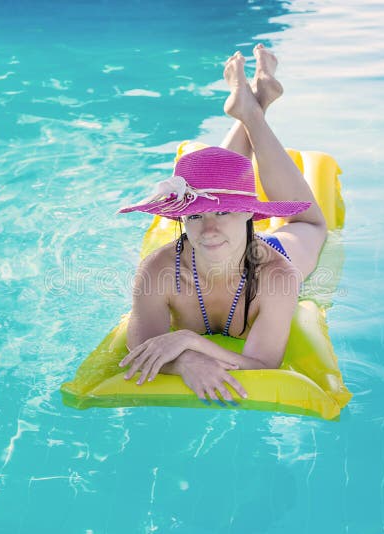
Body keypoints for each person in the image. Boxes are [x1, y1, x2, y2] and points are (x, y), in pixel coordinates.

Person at [117, 45, 328, 404]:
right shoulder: (158, 269)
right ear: (181, 218)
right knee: (219, 182)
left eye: (225, 211)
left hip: (265, 256)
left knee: (310, 222)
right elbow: (142, 347)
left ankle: (253, 111)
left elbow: (263, 364)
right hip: (222, 254)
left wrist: (189, 342)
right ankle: (251, 105)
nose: (209, 228)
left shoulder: (278, 276)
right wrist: (187, 363)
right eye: (195, 215)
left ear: (250, 212)